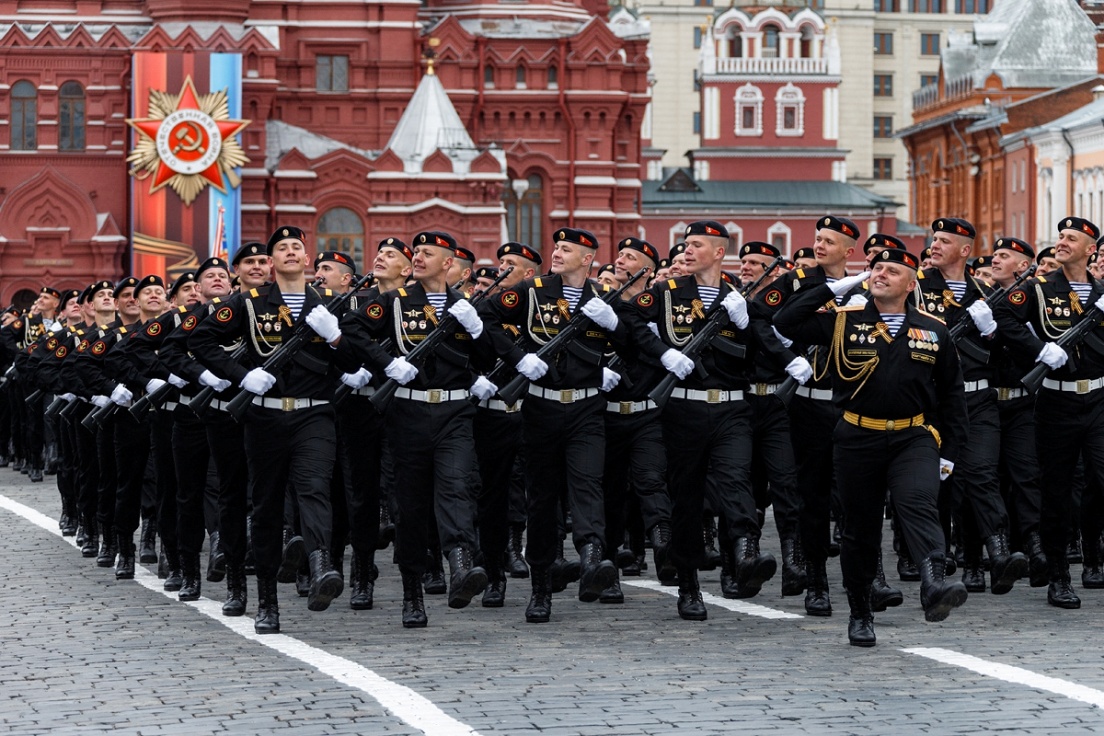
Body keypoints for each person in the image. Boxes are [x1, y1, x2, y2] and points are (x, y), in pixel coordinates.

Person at [775, 247, 970, 646]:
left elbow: (951, 395)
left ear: (911, 283)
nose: (880, 273)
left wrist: (949, 451)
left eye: (892, 270)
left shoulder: (934, 329)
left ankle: (934, 582)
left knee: (917, 502)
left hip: (912, 436)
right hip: (857, 436)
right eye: (876, 268)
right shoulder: (843, 322)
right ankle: (861, 611)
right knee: (860, 530)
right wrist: (831, 289)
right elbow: (785, 320)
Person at [316, 230, 490, 628]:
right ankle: (409, 590)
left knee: (456, 485)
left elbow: (488, 354)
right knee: (405, 504)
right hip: (401, 413)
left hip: (453, 411)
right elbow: (354, 332)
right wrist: (382, 363)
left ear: (449, 264)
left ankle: (460, 564)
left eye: (426, 254)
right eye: (418, 253)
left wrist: (478, 330)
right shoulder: (390, 302)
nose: (418, 259)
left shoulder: (462, 306)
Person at [189, 226, 344, 634]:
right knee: (267, 505)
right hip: (266, 417)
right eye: (282, 249)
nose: (291, 252)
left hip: (315, 414)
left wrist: (336, 339)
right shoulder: (247, 303)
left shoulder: (330, 304)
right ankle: (267, 602)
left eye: (298, 246)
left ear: (307, 260)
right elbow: (201, 340)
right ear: (271, 264)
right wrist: (241, 375)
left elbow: (359, 359)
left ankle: (320, 563)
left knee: (313, 487)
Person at [625, 221, 778, 620]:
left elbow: (761, 347)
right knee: (687, 498)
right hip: (683, 406)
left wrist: (745, 323)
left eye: (696, 245)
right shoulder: (665, 291)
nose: (687, 251)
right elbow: (631, 322)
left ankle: (744, 551)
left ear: (718, 252)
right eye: (686, 244)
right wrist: (663, 353)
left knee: (735, 478)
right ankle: (689, 585)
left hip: (731, 406)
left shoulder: (737, 297)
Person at [479, 227, 626, 623]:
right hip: (541, 410)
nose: (557, 253)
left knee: (587, 484)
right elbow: (486, 317)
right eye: (557, 247)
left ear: (588, 258)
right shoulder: (533, 291)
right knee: (541, 501)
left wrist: (614, 323)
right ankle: (541, 588)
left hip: (587, 409)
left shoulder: (604, 297)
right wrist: (517, 357)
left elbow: (636, 344)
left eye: (567, 249)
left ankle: (593, 557)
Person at [916, 218, 1028, 595]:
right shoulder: (916, 286)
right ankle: (939, 561)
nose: (935, 245)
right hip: (932, 402)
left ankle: (998, 552)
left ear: (965, 251)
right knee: (940, 485)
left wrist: (992, 331)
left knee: (981, 472)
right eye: (934, 239)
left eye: (944, 241)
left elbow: (1005, 356)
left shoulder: (985, 293)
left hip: (978, 398)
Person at [997, 216, 1104, 610]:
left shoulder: (1100, 291)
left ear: (1089, 249)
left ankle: (1093, 550)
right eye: (1060, 236)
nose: (1061, 242)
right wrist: (1039, 351)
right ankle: (1059, 576)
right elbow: (1005, 319)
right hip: (1056, 402)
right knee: (1056, 491)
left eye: (1071, 238)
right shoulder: (1039, 289)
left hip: (1098, 400)